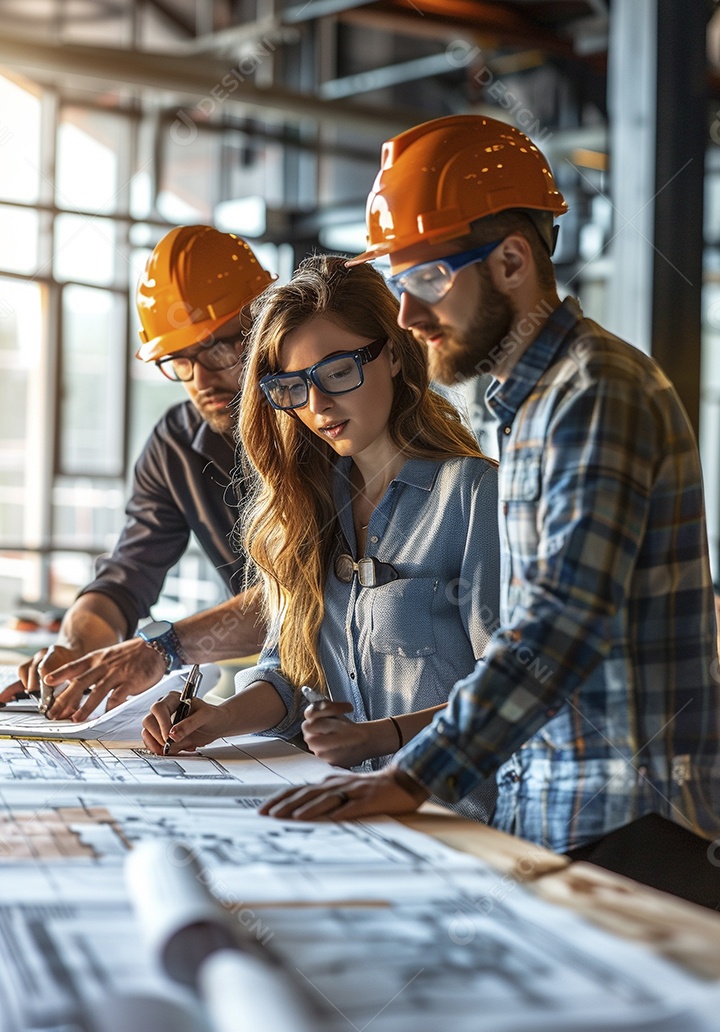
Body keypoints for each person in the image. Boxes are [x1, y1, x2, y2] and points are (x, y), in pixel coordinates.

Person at [260, 114, 720, 854]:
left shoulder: (595, 389)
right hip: (555, 812)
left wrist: (409, 777)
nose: (407, 315)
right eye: (399, 282)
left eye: (427, 278)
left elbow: (558, 624)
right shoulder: (528, 409)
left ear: (511, 261)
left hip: (631, 822)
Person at [141, 255, 500, 821]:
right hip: (346, 817)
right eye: (293, 386)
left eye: (337, 372)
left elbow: (507, 694)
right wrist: (216, 716)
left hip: (457, 825)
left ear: (399, 356)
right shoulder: (307, 507)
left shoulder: (472, 495)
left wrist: (382, 736)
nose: (317, 405)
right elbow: (288, 675)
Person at [0, 226, 274, 719]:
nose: (202, 379)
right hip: (286, 699)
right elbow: (126, 578)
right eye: (180, 361)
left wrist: (162, 649)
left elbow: (311, 591)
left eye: (217, 349)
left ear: (265, 325)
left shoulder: (322, 424)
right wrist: (73, 651)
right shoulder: (175, 447)